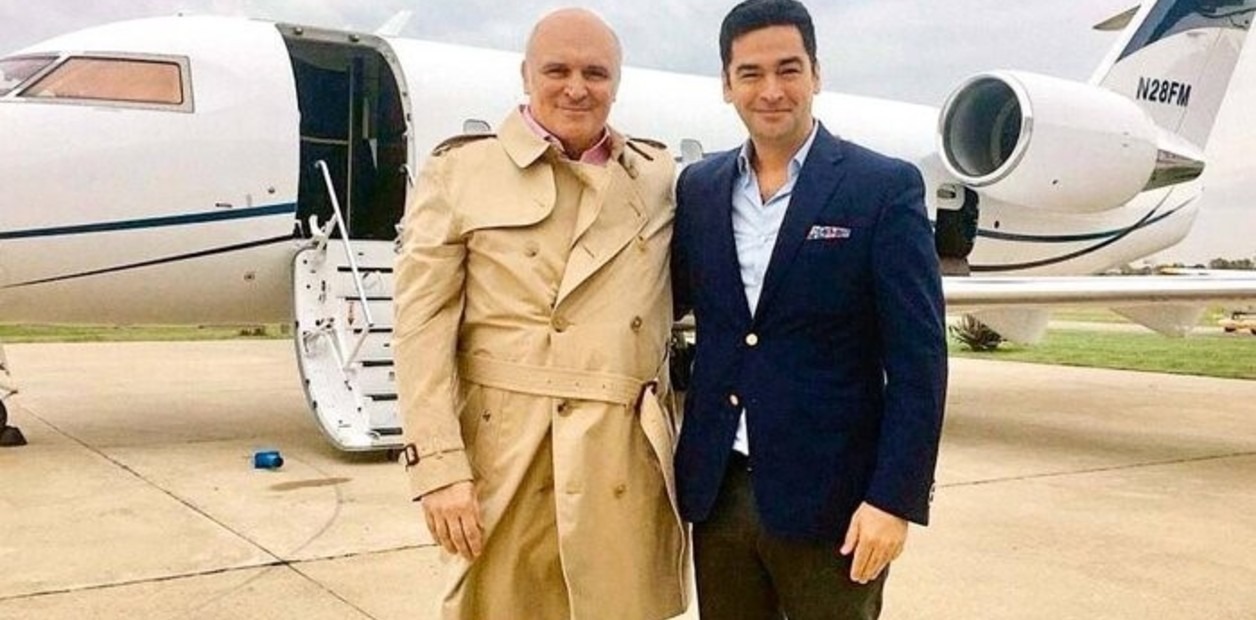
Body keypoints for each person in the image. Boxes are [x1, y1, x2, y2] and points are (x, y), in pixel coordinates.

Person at [392, 7, 686, 620]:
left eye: (595, 73)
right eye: (557, 70)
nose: (576, 88)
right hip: (508, 454)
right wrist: (438, 468)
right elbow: (420, 330)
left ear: (616, 83)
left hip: (622, 456)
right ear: (526, 76)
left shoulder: (656, 177)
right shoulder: (459, 173)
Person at [670, 0, 948, 618]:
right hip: (720, 492)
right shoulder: (700, 189)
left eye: (788, 69)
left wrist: (893, 500)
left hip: (836, 505)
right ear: (726, 84)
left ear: (816, 74)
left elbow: (919, 362)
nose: (771, 90)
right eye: (750, 73)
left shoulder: (881, 187)